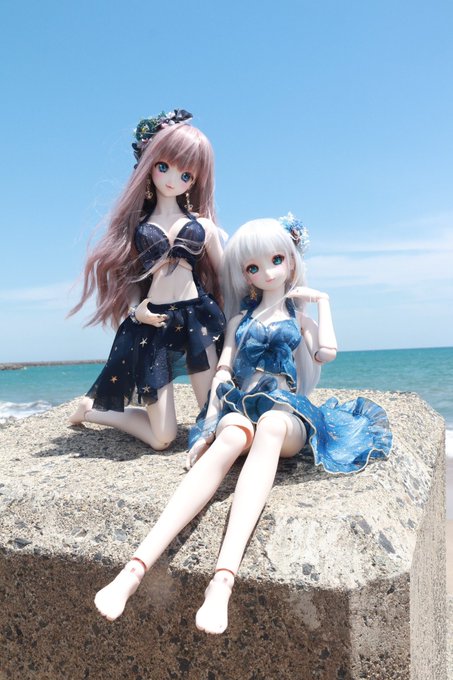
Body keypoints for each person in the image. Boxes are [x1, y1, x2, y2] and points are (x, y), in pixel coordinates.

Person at [93, 215, 392, 633]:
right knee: (231, 436)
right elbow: (223, 372)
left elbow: (325, 353)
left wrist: (321, 303)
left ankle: (222, 581)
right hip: (243, 404)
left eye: (276, 260)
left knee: (270, 426)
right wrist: (208, 425)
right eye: (254, 266)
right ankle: (134, 569)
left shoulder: (298, 317)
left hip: (286, 413)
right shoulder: (239, 321)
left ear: (291, 261)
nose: (267, 272)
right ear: (245, 274)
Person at [69, 109, 226, 450]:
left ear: (196, 179)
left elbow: (226, 277)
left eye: (186, 174)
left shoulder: (204, 226)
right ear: (148, 164)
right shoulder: (136, 228)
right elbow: (125, 277)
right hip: (154, 325)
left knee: (213, 414)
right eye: (163, 166)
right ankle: (93, 410)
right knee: (163, 437)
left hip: (197, 318)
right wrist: (134, 310)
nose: (172, 179)